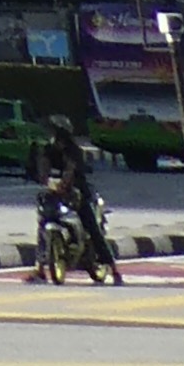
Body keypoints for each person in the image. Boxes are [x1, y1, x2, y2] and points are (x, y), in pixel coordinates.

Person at [27, 114, 115, 284]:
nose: (53, 135)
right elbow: (43, 168)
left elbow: (70, 169)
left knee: (93, 228)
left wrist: (65, 184)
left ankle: (114, 268)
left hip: (78, 193)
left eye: (56, 132)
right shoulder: (48, 149)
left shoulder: (73, 150)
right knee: (43, 223)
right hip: (55, 192)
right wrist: (46, 180)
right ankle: (40, 269)